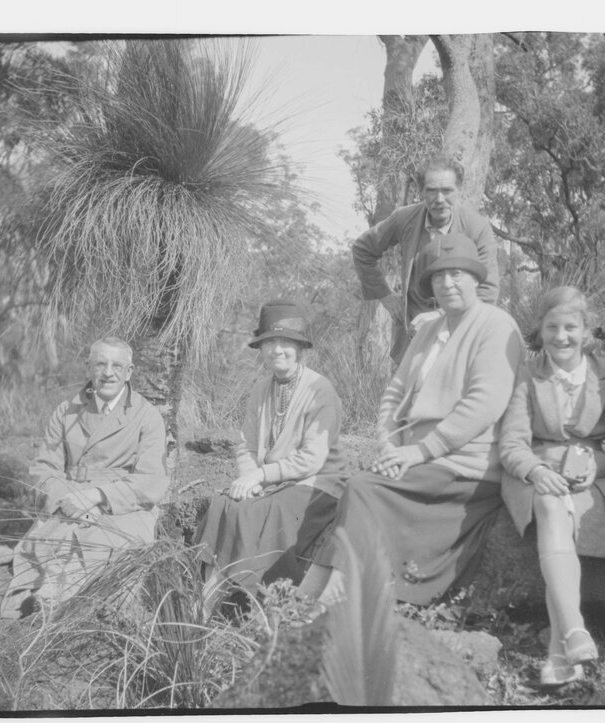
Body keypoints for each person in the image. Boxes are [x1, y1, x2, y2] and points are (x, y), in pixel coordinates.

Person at [300, 234, 524, 606]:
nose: (447, 283)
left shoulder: (497, 326)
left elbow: (484, 403)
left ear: (475, 278)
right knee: (358, 490)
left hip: (462, 465)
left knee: (361, 489)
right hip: (413, 457)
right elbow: (394, 390)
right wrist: (387, 441)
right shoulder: (430, 330)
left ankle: (331, 600)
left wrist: (418, 452)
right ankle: (303, 601)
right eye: (438, 277)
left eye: (457, 274)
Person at [499, 287, 605, 686]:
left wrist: (600, 464)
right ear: (539, 330)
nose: (561, 337)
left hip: (592, 478)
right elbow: (511, 443)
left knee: (564, 511)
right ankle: (574, 628)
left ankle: (560, 653)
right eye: (552, 327)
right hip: (538, 472)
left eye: (571, 327)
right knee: (549, 504)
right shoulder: (528, 373)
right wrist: (536, 471)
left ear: (586, 330)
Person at [193, 301, 346, 616]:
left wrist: (261, 478)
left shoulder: (321, 390)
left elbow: (312, 460)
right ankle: (209, 592)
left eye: (286, 342)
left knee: (259, 512)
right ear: (261, 348)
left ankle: (241, 601)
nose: (278, 350)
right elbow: (246, 444)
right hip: (271, 481)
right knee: (224, 504)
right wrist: (249, 477)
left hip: (316, 483)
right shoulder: (261, 388)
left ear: (300, 348)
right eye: (270, 343)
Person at [0, 337, 169, 618]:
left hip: (123, 509)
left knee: (94, 547)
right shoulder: (66, 412)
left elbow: (151, 481)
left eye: (117, 365)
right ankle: (40, 598)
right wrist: (68, 498)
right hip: (68, 504)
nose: (108, 373)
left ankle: (55, 601)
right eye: (100, 364)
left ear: (129, 372)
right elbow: (43, 470)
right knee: (44, 551)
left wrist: (96, 497)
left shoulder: (147, 416)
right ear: (88, 368)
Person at [351, 154, 500, 362]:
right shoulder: (404, 218)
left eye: (447, 191)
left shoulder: (477, 227)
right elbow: (362, 249)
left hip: (461, 336)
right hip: (414, 339)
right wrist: (385, 295)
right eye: (431, 191)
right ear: (421, 191)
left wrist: (441, 317)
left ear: (458, 190)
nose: (439, 199)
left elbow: (488, 291)